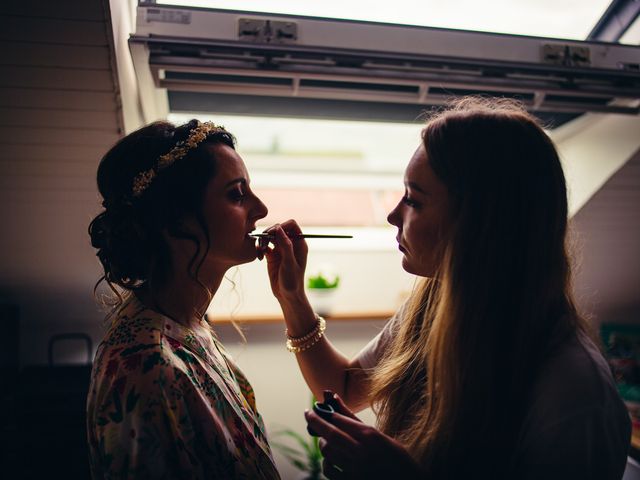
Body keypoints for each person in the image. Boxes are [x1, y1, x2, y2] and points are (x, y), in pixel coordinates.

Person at [260, 97, 631, 479]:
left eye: (414, 200)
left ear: (480, 224)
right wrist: (292, 298)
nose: (392, 215)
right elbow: (347, 387)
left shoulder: (574, 393)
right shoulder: (434, 305)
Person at [86, 120, 280, 479]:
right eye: (237, 195)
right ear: (176, 218)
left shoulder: (189, 324)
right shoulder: (147, 369)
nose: (262, 210)